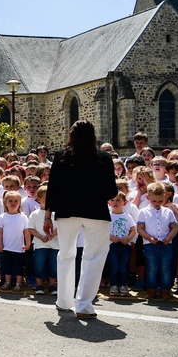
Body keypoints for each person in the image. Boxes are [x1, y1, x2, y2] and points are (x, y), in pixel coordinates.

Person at [44, 120, 118, 318]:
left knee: (66, 254)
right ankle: (84, 306)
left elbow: (52, 190)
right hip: (96, 212)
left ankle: (64, 301)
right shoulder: (104, 158)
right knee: (94, 257)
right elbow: (112, 190)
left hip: (67, 212)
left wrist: (47, 217)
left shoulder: (61, 157)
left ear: (71, 134)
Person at [26, 185, 58, 295]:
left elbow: (60, 228)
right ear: (39, 200)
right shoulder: (34, 214)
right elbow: (30, 228)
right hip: (40, 245)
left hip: (55, 245)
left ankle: (52, 285)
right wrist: (40, 237)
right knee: (39, 264)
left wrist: (52, 235)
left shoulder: (56, 213)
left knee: (54, 265)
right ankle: (39, 284)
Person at [0, 191, 28, 291]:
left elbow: (26, 232)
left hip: (19, 248)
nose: (13, 203)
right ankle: (7, 282)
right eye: (10, 201)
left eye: (16, 201)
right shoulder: (2, 217)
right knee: (7, 266)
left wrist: (27, 244)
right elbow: (0, 232)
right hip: (6, 247)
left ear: (20, 203)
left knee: (18, 267)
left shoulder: (23, 217)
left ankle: (18, 284)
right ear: (6, 203)